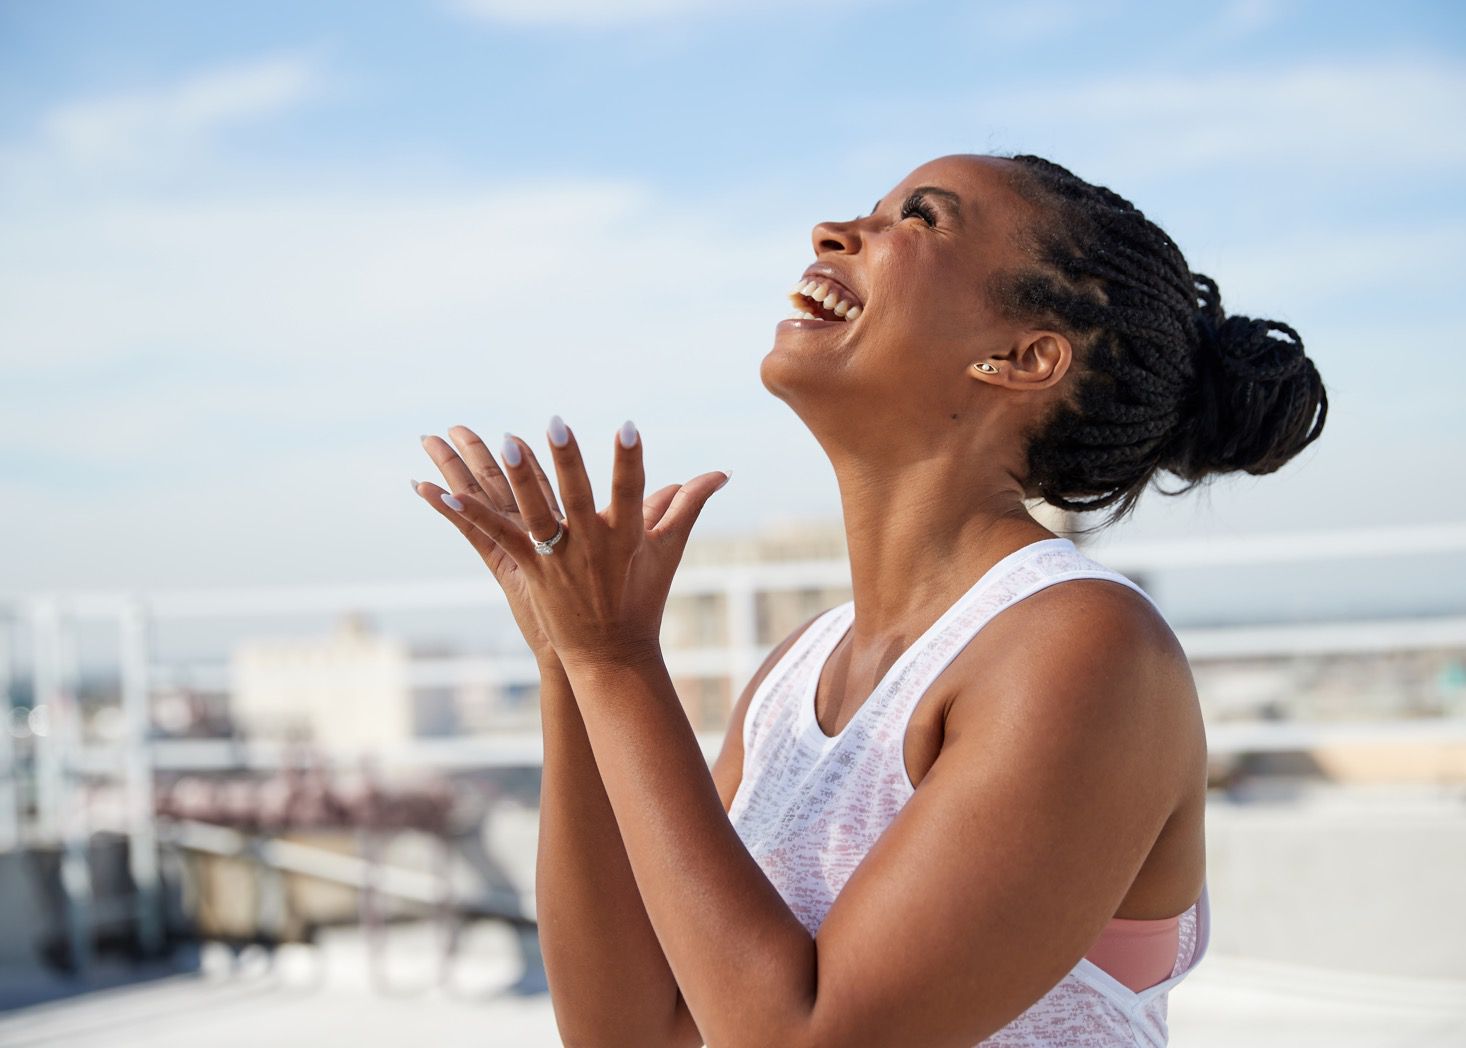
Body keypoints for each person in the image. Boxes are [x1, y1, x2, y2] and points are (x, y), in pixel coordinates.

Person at [411, 153, 1327, 1046]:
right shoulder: (795, 676)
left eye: (920, 219)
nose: (835, 231)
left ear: (1021, 355)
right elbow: (629, 1035)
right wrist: (572, 663)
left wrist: (617, 662)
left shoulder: (1089, 648)